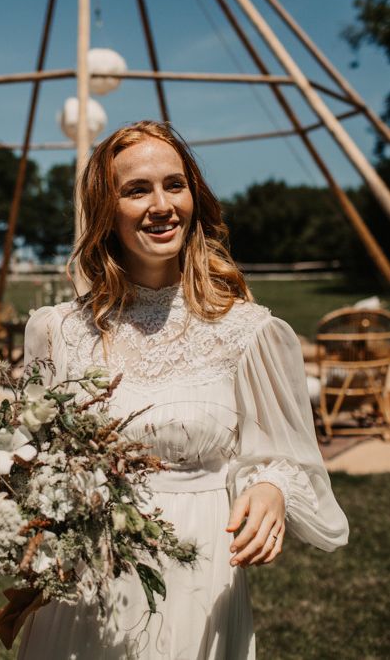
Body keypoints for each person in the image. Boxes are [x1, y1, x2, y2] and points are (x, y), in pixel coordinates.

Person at [18, 120, 349, 659]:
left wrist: (270, 490)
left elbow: (289, 457)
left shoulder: (248, 332)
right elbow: (29, 459)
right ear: (105, 210)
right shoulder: (57, 332)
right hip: (84, 581)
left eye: (175, 185)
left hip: (199, 573)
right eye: (136, 190)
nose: (162, 204)